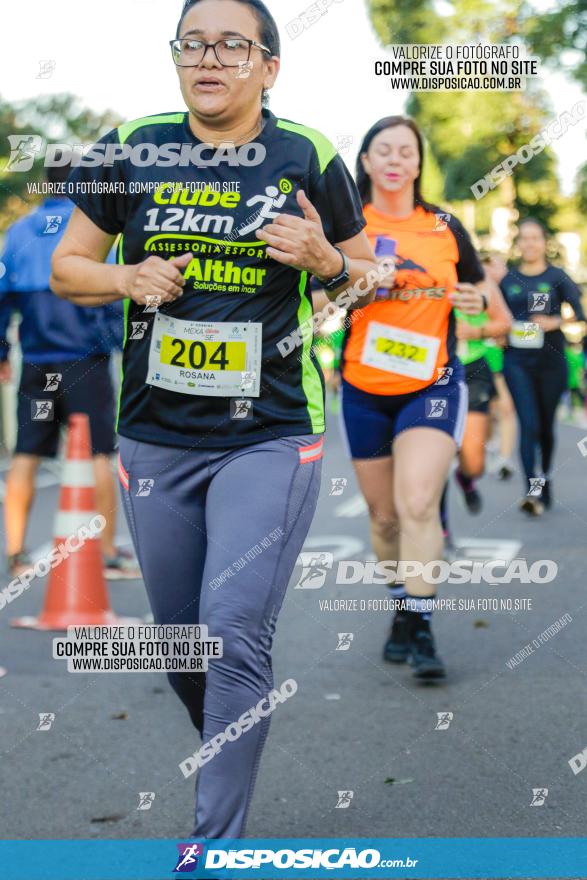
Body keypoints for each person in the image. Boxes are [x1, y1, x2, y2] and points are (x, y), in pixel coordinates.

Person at [50, 0, 377, 839]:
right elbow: (67, 268)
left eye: (234, 44)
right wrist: (128, 280)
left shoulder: (306, 153)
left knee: (231, 633)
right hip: (155, 433)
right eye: (193, 43)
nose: (211, 58)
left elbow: (365, 278)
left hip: (269, 431)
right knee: (181, 644)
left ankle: (216, 840)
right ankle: (238, 723)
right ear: (176, 59)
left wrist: (329, 261)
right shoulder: (134, 144)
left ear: (270, 66)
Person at [339, 116, 489, 679]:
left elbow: (477, 289)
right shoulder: (347, 225)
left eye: (408, 150)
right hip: (362, 386)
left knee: (419, 503)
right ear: (368, 163)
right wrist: (358, 280)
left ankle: (422, 627)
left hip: (432, 382)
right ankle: (402, 606)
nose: (397, 159)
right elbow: (323, 297)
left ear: (420, 163)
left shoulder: (446, 226)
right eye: (384, 150)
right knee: (384, 520)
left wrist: (473, 299)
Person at [0, 156, 139, 579]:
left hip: (37, 364)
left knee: (26, 454)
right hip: (87, 363)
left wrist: (3, 352)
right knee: (100, 452)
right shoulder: (96, 233)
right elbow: (119, 295)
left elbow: (2, 296)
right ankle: (109, 552)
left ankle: (17, 554)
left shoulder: (19, 231)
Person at [500, 219, 586, 515]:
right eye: (524, 238)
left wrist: (555, 321)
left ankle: (545, 479)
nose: (530, 243)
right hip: (517, 362)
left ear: (543, 241)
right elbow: (498, 318)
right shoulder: (508, 280)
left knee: (546, 430)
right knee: (529, 424)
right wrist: (500, 330)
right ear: (518, 243)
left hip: (552, 361)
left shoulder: (557, 276)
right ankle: (531, 491)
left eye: (535, 238)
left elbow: (580, 315)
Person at [452, 278, 512, 513]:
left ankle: (466, 479)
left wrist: (476, 331)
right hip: (431, 368)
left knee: (475, 464)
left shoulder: (480, 281)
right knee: (433, 458)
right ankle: (441, 531)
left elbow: (504, 324)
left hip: (473, 367)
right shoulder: (420, 273)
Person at [482, 254, 517, 481]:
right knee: (484, 411)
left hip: (503, 362)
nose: (497, 269)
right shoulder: (472, 290)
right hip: (475, 361)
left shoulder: (514, 293)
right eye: (490, 265)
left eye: (498, 265)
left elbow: (522, 328)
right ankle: (485, 445)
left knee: (506, 408)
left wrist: (506, 333)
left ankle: (505, 458)